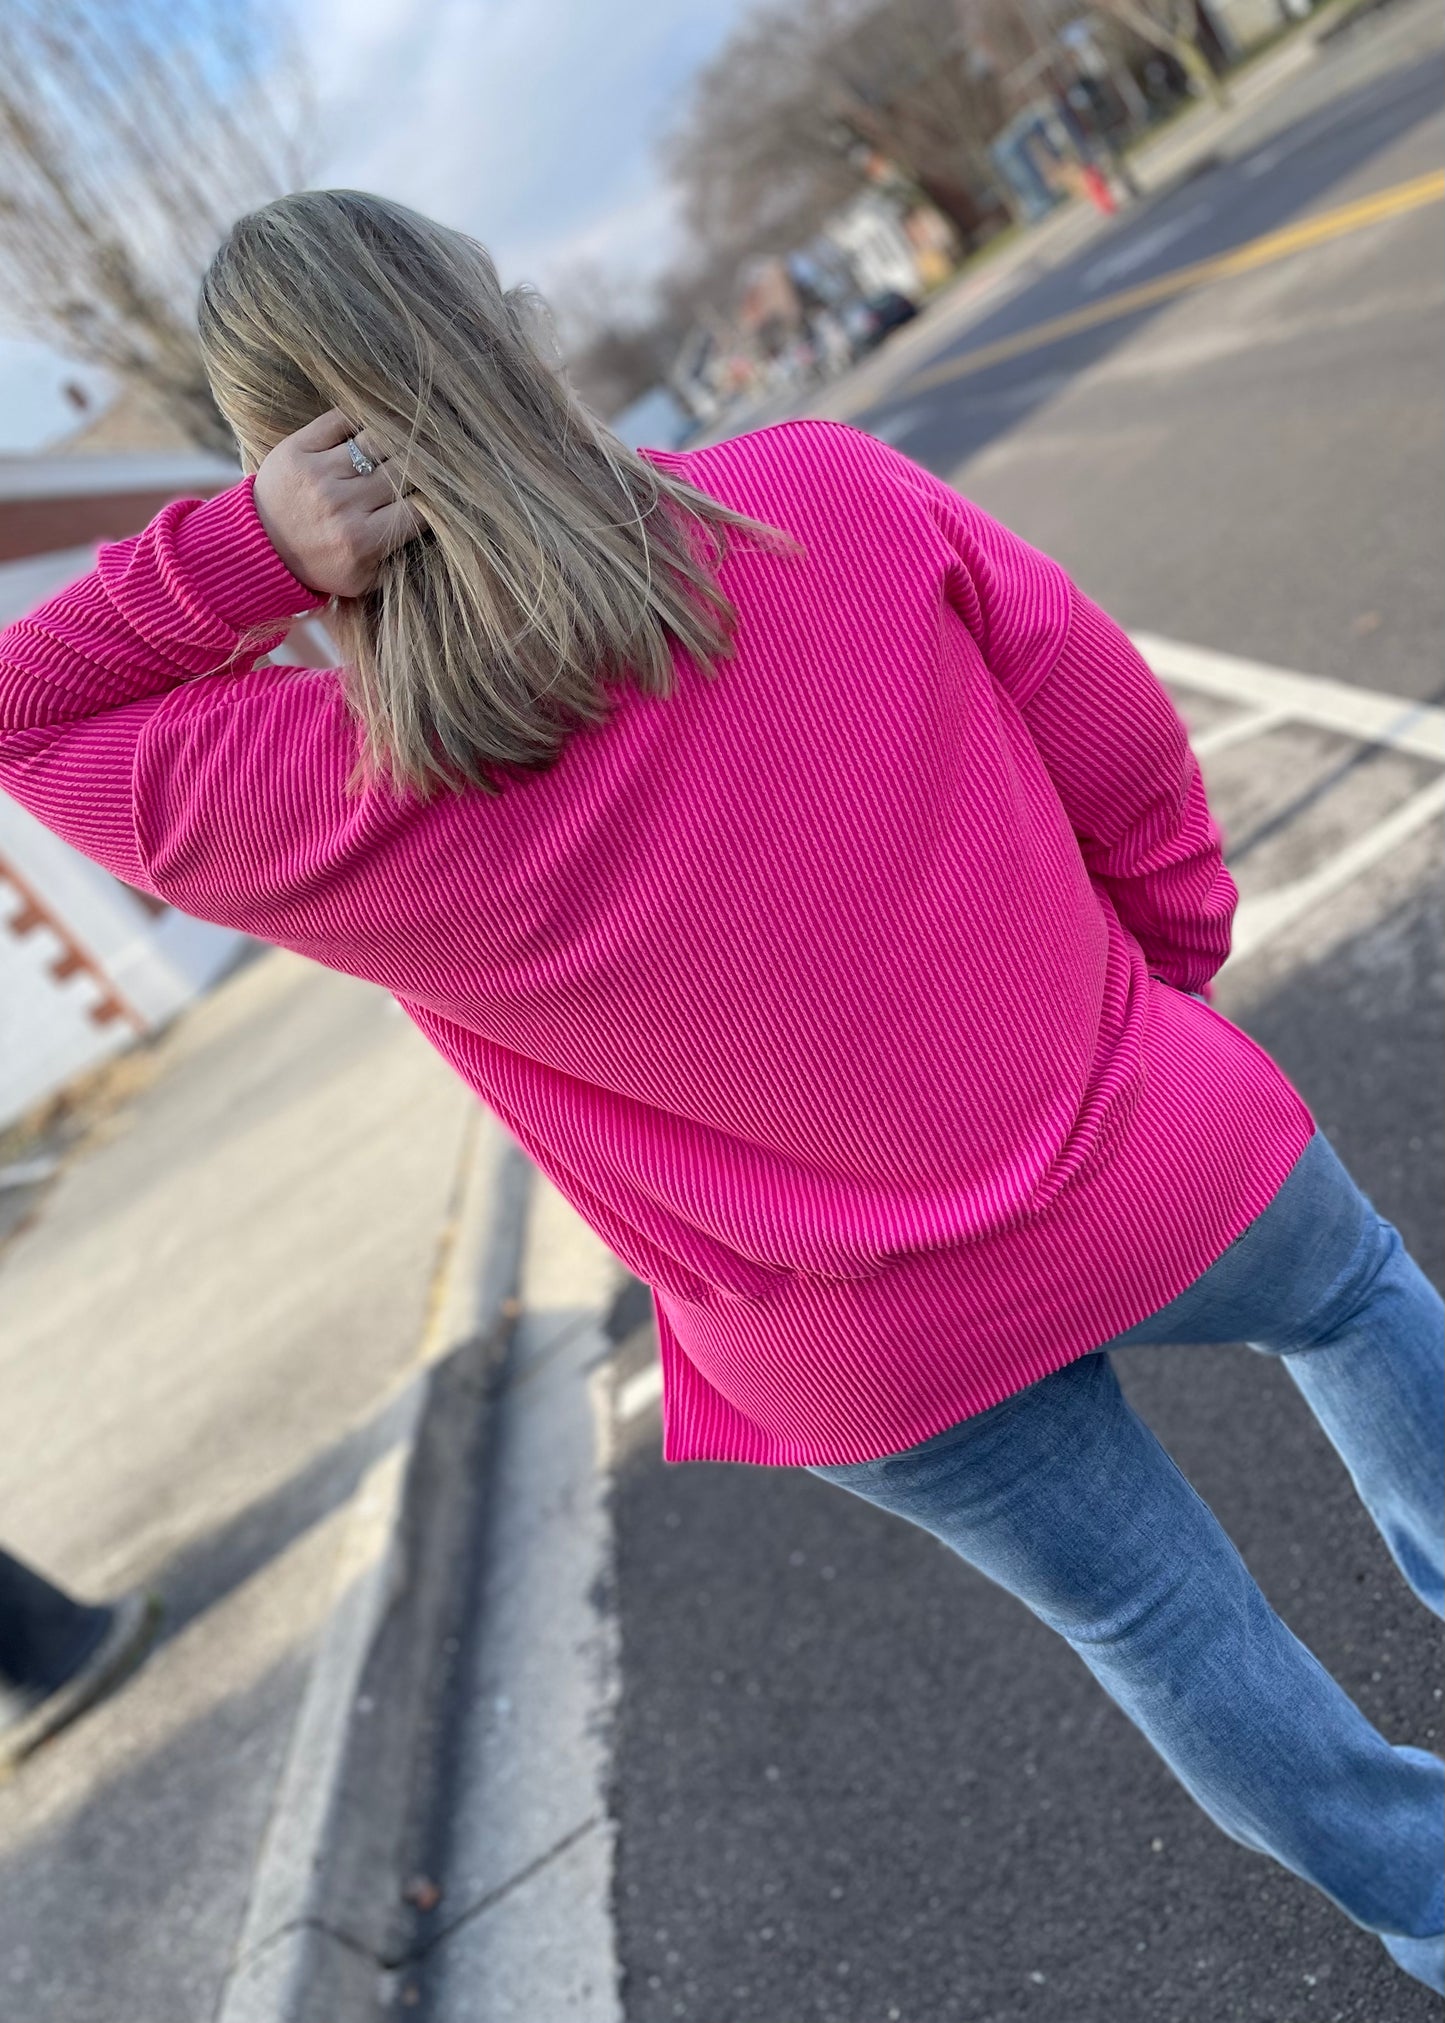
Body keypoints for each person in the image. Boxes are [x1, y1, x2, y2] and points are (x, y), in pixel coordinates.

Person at [0, 189, 1439, 1994]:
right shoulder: (816, 497)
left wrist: (242, 556)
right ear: (504, 334)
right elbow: (1115, 738)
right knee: (1357, 1297)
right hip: (1130, 1139)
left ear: (297, 463)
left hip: (851, 1349)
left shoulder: (330, 786)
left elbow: (26, 714)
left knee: (1158, 1623)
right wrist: (1166, 987)